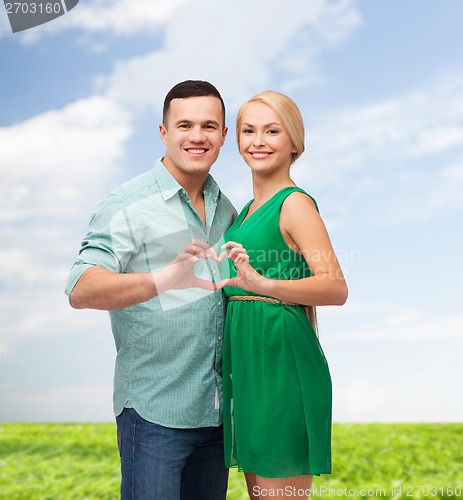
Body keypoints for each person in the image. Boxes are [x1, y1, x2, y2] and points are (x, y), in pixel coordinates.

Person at [64, 80, 237, 500]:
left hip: (215, 418)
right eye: (184, 125)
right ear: (163, 132)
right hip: (154, 414)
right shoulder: (127, 203)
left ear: (223, 136)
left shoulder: (228, 209)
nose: (197, 136)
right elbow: (81, 288)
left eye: (209, 126)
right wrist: (163, 279)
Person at [218, 91, 348, 500]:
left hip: (282, 366)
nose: (258, 140)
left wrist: (265, 285)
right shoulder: (245, 212)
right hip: (251, 364)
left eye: (272, 131)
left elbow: (335, 287)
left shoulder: (294, 205)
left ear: (294, 142)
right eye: (248, 130)